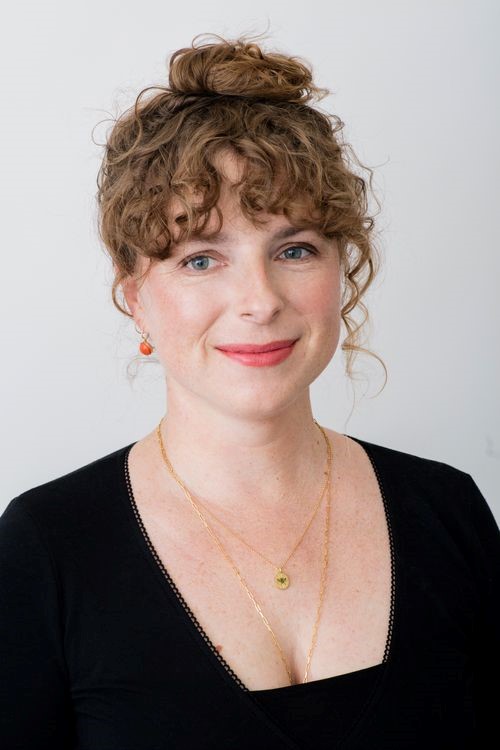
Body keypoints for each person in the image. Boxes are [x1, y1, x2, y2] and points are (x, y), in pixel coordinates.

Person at [1, 33, 498, 750]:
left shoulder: (448, 511)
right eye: (202, 258)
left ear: (342, 269)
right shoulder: (46, 549)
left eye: (294, 250)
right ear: (135, 295)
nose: (258, 300)